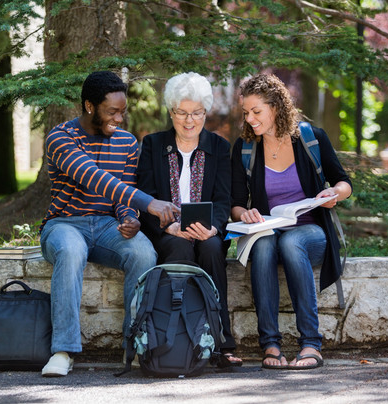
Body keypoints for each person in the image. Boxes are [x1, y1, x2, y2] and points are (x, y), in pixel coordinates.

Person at [39, 71, 179, 377]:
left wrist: (130, 217)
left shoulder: (127, 143)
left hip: (106, 226)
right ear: (90, 106)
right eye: (112, 112)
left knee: (143, 253)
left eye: (123, 112)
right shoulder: (61, 138)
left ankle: (136, 344)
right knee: (72, 250)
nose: (119, 118)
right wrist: (149, 204)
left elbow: (121, 193)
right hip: (64, 224)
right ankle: (63, 350)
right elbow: (94, 177)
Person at [230, 73, 352, 370]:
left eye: (257, 112)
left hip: (310, 233)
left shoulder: (311, 138)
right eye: (246, 113)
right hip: (267, 230)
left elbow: (343, 182)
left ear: (276, 107)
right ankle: (270, 345)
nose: (250, 119)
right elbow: (234, 203)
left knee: (292, 240)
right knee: (265, 246)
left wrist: (334, 193)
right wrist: (243, 213)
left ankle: (311, 343)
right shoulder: (245, 148)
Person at [136, 72, 242, 367]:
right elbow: (145, 197)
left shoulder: (219, 148)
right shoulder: (153, 145)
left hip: (207, 232)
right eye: (181, 113)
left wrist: (214, 227)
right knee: (180, 251)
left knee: (210, 250)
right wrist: (166, 225)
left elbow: (223, 199)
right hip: (167, 232)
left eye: (197, 113)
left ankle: (222, 342)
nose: (189, 120)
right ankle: (183, 340)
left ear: (206, 112)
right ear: (171, 112)